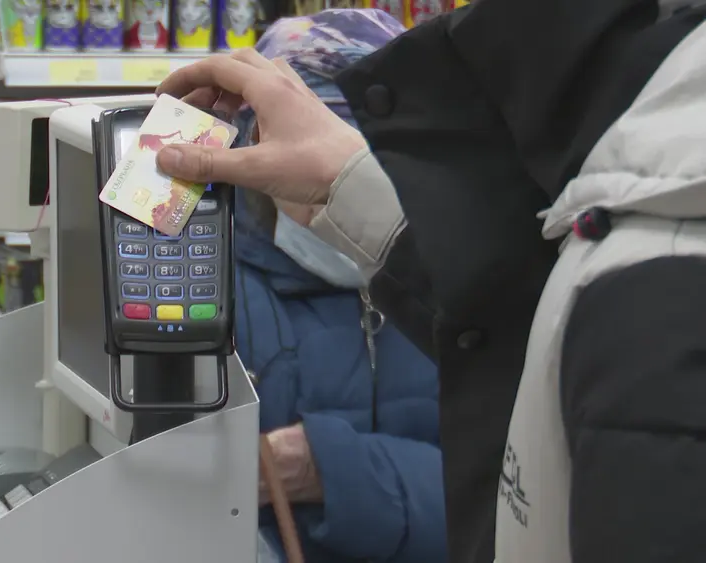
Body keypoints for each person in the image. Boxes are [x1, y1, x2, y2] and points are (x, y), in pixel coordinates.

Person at [153, 2, 706, 563]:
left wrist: (329, 467)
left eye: (375, 147)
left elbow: (512, 483)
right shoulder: (206, 289)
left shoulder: (537, 274)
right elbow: (175, 494)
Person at [234, 11, 446, 563]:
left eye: (371, 167)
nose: (333, 195)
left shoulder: (467, 284)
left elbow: (516, 495)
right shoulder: (206, 292)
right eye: (309, 171)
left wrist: (330, 468)